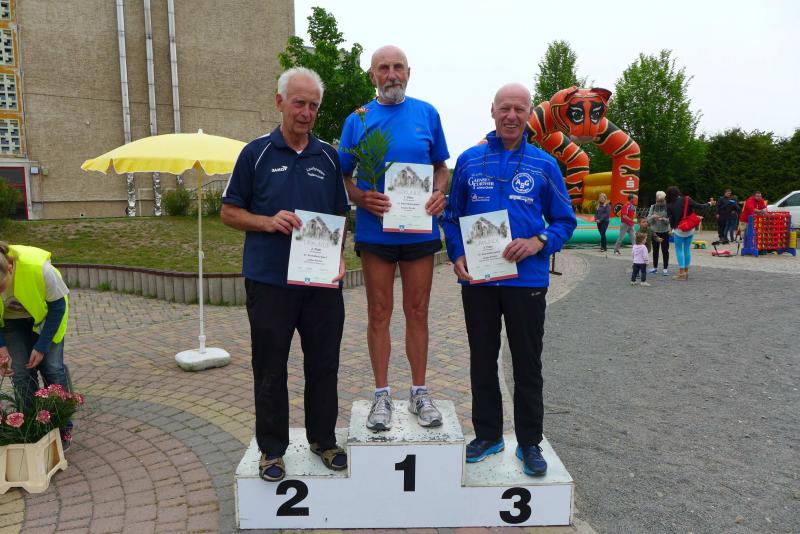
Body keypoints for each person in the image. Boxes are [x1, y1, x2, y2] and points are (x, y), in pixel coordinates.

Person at [221, 67, 349, 482]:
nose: (306, 112)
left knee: (324, 364)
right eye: (299, 103)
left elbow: (339, 216)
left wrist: (339, 258)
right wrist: (266, 221)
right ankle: (272, 450)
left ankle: (323, 440)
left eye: (313, 105)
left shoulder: (328, 156)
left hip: (321, 285)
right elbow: (229, 212)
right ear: (279, 102)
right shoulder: (255, 153)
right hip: (270, 282)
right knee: (270, 367)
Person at [442, 83, 577, 476]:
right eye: (505, 108)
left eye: (519, 109)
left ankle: (530, 442)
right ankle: (488, 435)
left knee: (527, 364)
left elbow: (565, 222)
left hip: (526, 282)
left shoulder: (544, 165)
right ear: (493, 111)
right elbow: (452, 217)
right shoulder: (469, 161)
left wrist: (538, 242)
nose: (511, 116)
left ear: (529, 114)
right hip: (479, 281)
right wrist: (457, 253)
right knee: (482, 360)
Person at [338, 45, 449, 431]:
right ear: (372, 75)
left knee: (418, 310)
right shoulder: (357, 119)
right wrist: (360, 197)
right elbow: (343, 175)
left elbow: (441, 167)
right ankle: (382, 395)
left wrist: (439, 192)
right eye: (383, 68)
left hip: (419, 228)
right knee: (379, 311)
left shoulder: (427, 114)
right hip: (376, 229)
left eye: (398, 67)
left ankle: (419, 392)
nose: (391, 74)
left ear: (408, 72)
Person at [0, 242, 74, 450]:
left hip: (47, 317)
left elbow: (58, 307)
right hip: (12, 322)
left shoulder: (39, 269)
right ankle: (33, 427)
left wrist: (41, 346)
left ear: (10, 268)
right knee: (21, 373)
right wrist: (1, 347)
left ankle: (63, 427)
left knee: (52, 369)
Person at [665, 186, 715, 280]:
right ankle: (686, 271)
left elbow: (671, 219)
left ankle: (681, 273)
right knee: (687, 249)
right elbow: (700, 206)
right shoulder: (686, 199)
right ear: (678, 192)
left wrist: (672, 229)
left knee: (679, 250)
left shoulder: (669, 204)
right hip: (690, 228)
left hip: (679, 229)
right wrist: (709, 203)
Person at [646, 191, 671, 275]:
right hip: (654, 232)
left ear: (665, 200)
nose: (660, 203)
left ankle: (665, 269)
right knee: (655, 250)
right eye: (658, 201)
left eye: (662, 201)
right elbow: (648, 220)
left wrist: (663, 219)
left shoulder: (667, 207)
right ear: (656, 199)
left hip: (664, 232)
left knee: (665, 250)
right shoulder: (652, 207)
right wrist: (653, 216)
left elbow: (670, 220)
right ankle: (655, 268)